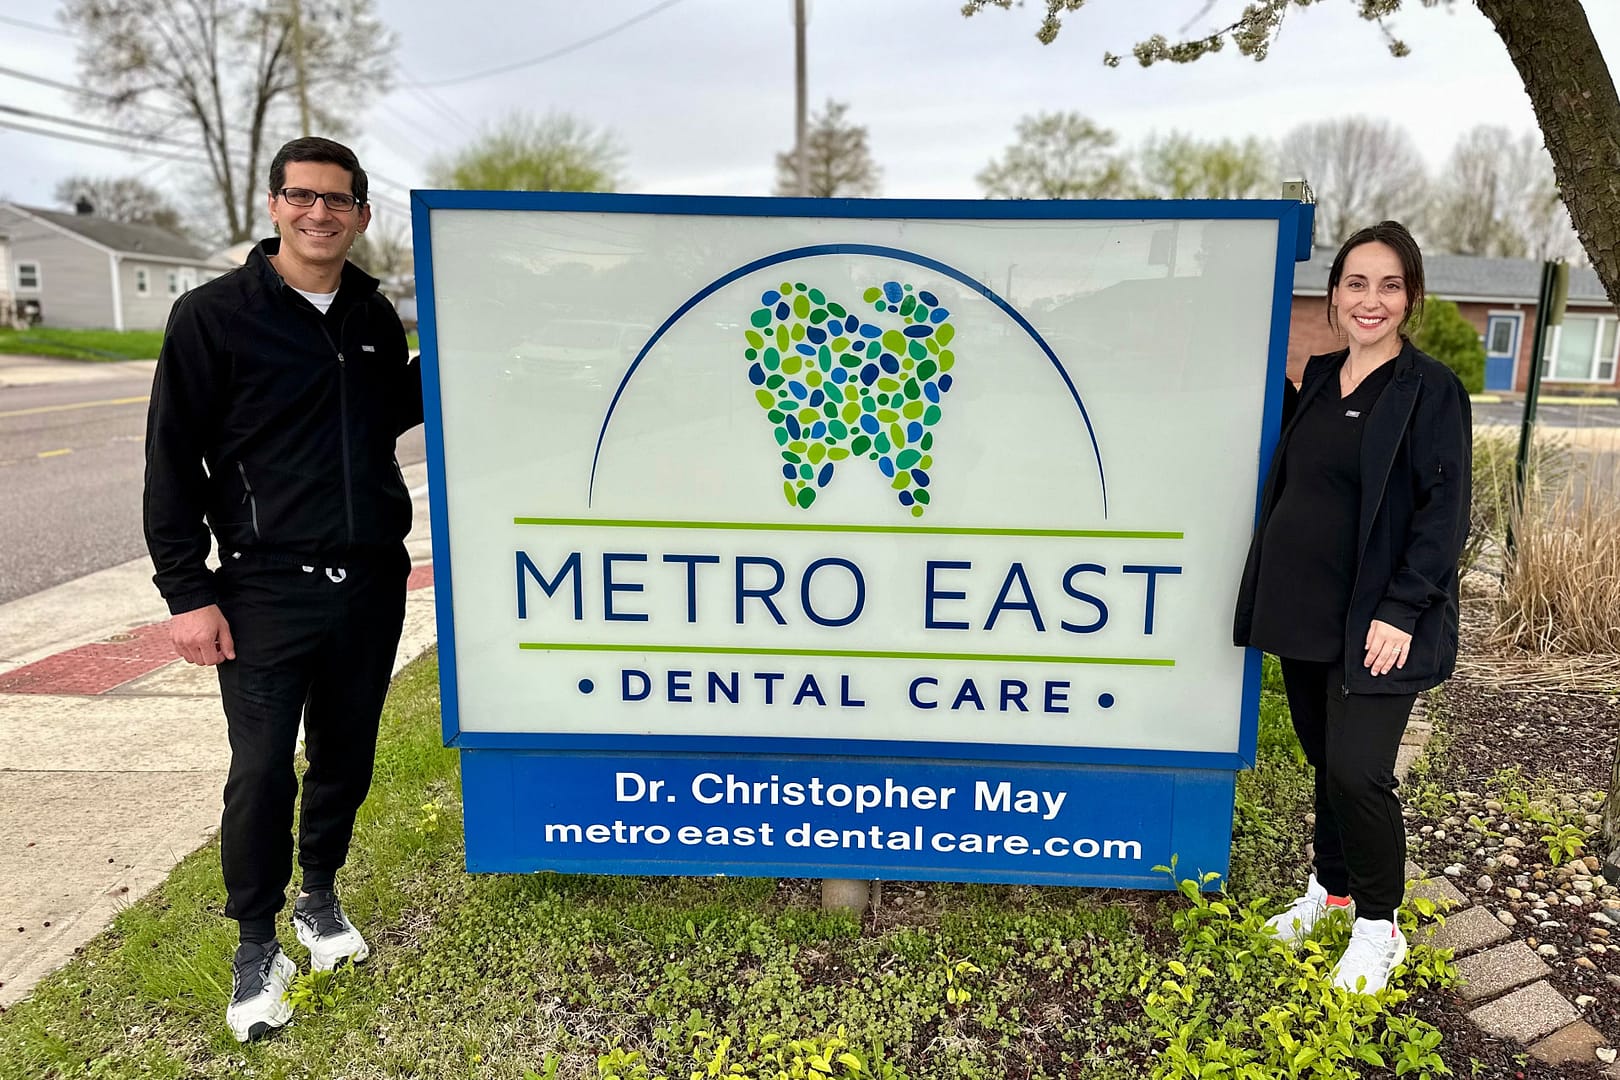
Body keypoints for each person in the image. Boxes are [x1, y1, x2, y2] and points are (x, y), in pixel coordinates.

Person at [143, 137, 422, 1041]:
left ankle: (320, 898)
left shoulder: (375, 318)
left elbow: (386, 411)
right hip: (264, 587)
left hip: (370, 581)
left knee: (346, 756)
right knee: (260, 771)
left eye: (338, 201)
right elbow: (171, 461)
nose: (320, 214)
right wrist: (188, 592)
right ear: (273, 207)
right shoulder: (213, 316)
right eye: (302, 197)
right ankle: (256, 941)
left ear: (362, 215)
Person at [1233, 220, 1471, 994]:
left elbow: (1445, 514)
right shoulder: (1321, 370)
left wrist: (1401, 610)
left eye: (1390, 285)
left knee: (1360, 771)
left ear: (1412, 297)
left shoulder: (1430, 390)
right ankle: (1329, 891)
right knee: (1323, 762)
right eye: (1357, 283)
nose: (1372, 300)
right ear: (1334, 293)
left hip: (1376, 620)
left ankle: (1378, 925)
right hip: (1304, 610)